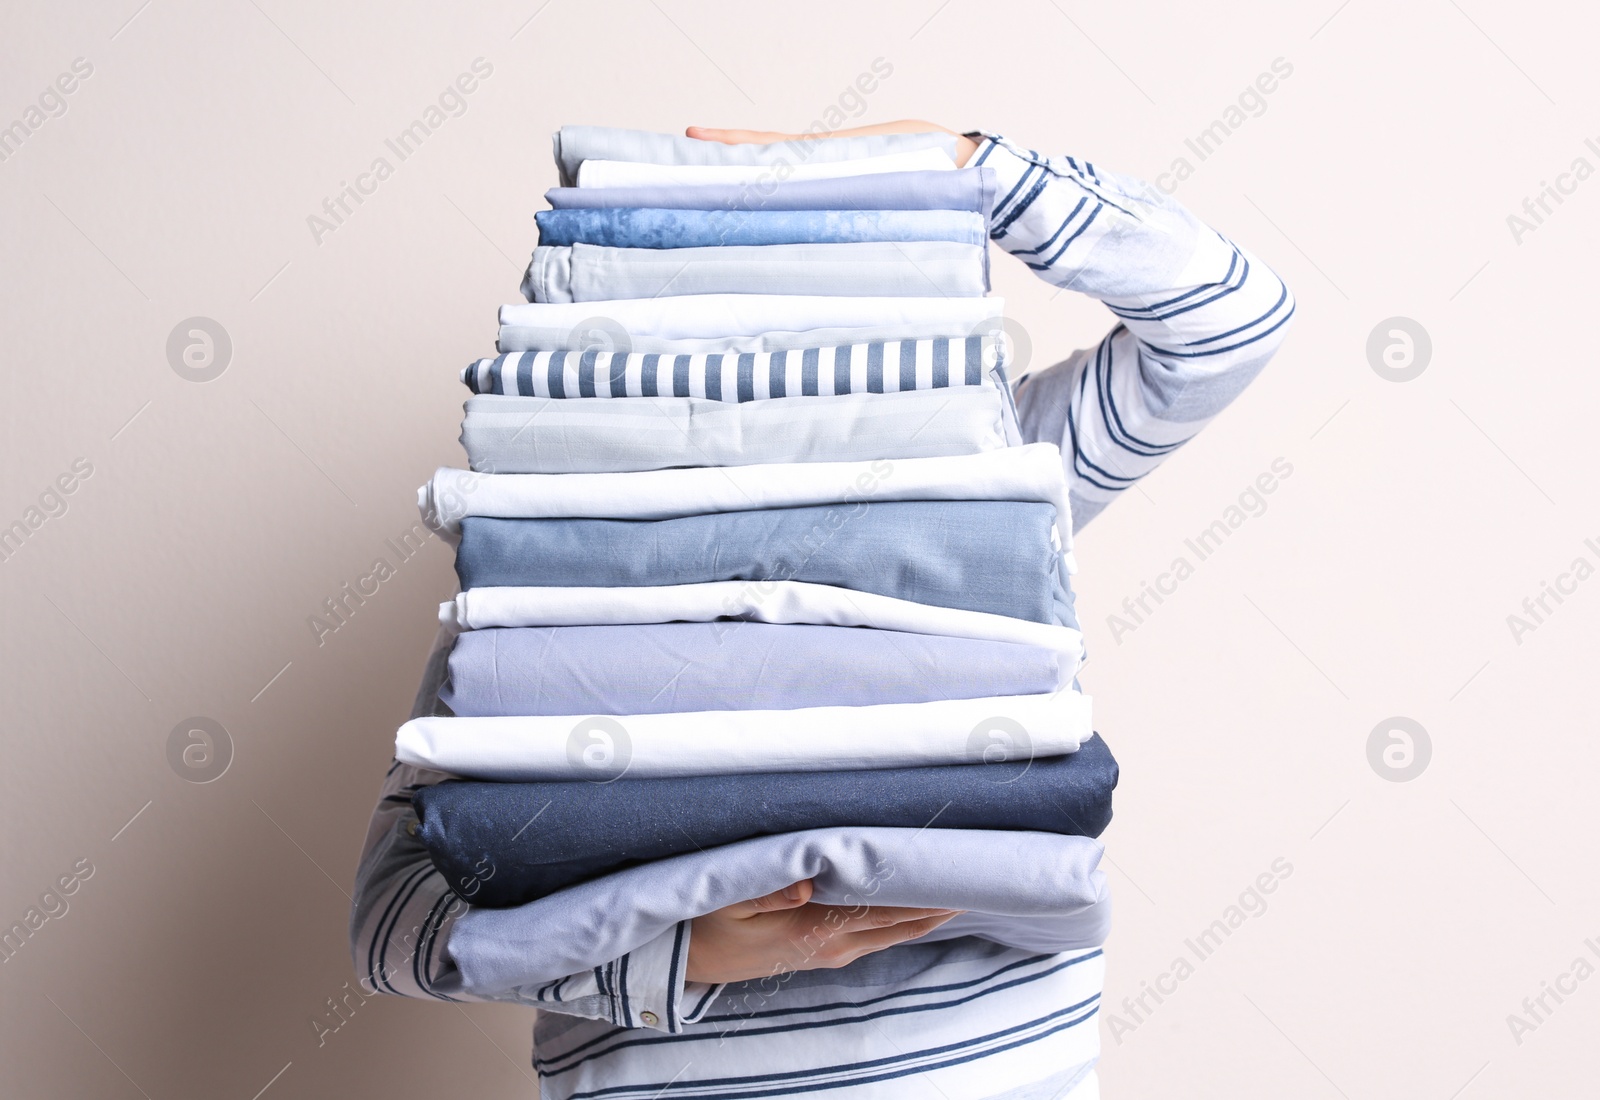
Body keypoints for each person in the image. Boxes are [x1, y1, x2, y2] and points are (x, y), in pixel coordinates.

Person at [351, 120, 1294, 1098]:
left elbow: (1230, 319)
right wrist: (674, 950)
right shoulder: (547, 579)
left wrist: (967, 163)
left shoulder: (985, 478)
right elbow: (391, 917)